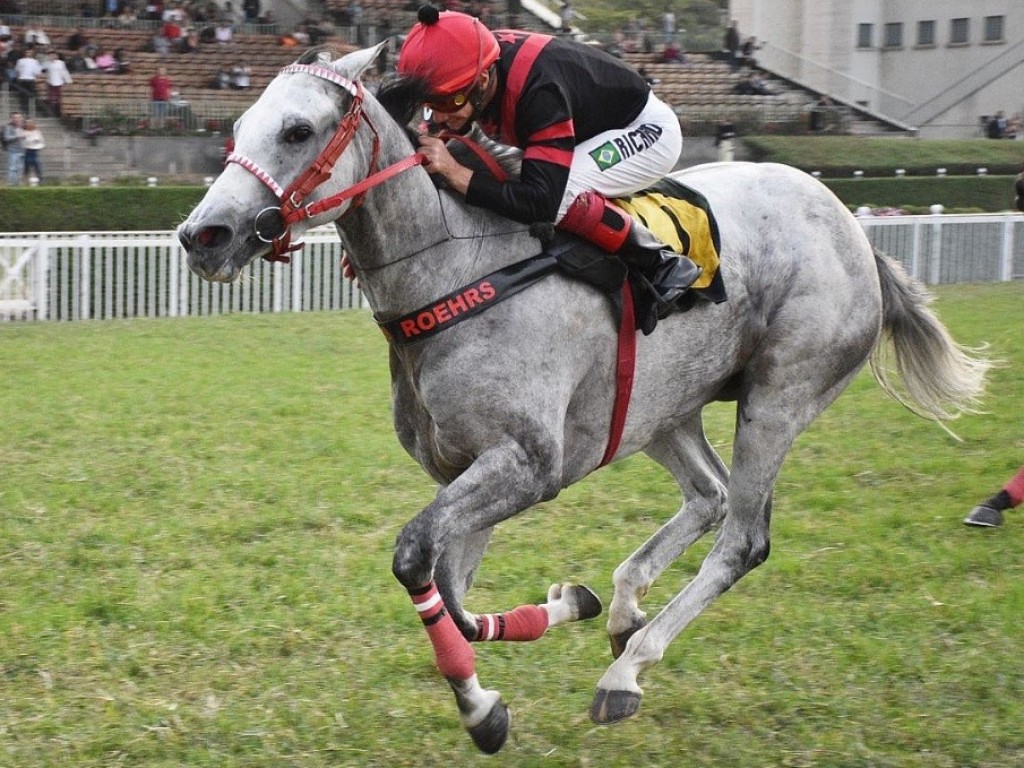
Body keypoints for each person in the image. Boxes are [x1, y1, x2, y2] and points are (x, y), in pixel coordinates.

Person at [395, 6, 702, 331]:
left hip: (645, 130)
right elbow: (434, 143)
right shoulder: (472, 69)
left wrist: (456, 172)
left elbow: (541, 202)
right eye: (430, 105)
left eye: (449, 103)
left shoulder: (539, 92)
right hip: (588, 128)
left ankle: (661, 262)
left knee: (560, 195)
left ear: (483, 80)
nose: (439, 116)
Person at [43, 52, 73, 117]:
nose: (51, 57)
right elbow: (41, 69)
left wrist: (68, 81)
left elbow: (64, 72)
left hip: (59, 83)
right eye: (50, 55)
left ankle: (59, 114)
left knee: (58, 99)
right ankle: (50, 114)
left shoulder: (61, 63)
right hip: (50, 83)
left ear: (56, 56)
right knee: (50, 99)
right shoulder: (47, 63)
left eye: (53, 55)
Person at [3, 112, 26, 186]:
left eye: (19, 117)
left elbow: (23, 138)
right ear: (12, 119)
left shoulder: (22, 126)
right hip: (13, 150)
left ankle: (19, 183)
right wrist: (17, 136)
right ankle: (12, 184)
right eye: (15, 117)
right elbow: (6, 138)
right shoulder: (8, 127)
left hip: (22, 150)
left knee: (20, 168)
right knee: (13, 168)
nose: (18, 119)